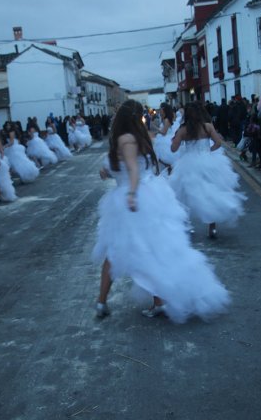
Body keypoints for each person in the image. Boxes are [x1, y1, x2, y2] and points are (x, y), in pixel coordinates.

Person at [92, 99, 230, 322]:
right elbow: (132, 165)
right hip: (145, 197)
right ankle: (110, 301)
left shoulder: (127, 139)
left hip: (134, 200)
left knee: (128, 251)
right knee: (142, 249)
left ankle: (105, 301)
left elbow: (134, 169)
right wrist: (108, 171)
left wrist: (131, 193)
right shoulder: (139, 138)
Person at [170, 102, 246, 238]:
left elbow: (173, 149)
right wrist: (207, 151)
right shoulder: (207, 127)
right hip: (208, 162)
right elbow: (218, 143)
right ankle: (212, 227)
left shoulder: (183, 130)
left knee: (185, 194)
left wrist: (175, 140)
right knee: (210, 192)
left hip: (188, 164)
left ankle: (189, 225)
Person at [153, 102, 181, 172]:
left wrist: (155, 128)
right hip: (165, 138)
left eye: (161, 109)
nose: (159, 111)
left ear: (164, 110)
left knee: (162, 157)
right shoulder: (166, 119)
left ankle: (167, 169)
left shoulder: (166, 120)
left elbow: (164, 132)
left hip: (165, 140)